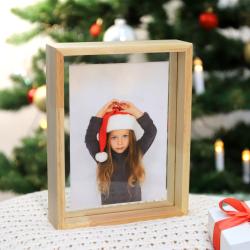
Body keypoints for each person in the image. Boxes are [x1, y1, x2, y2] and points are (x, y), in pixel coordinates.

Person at [85, 99, 157, 205]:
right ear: (107, 139)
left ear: (130, 136)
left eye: (125, 136)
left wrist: (134, 111)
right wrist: (103, 110)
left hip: (133, 210)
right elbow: (90, 138)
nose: (120, 142)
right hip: (109, 213)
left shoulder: (136, 152)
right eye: (114, 137)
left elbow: (151, 131)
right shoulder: (103, 156)